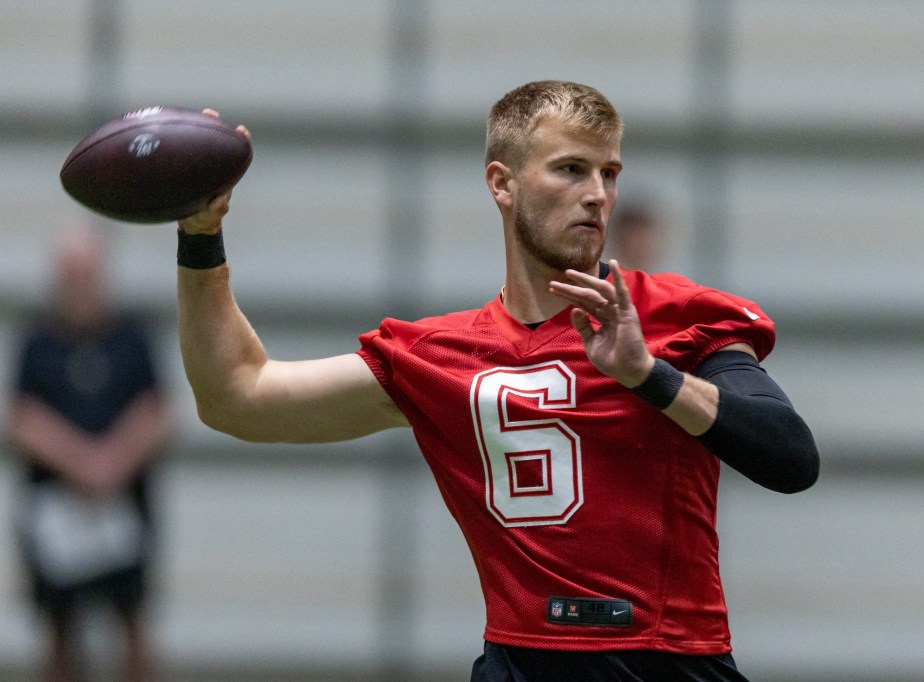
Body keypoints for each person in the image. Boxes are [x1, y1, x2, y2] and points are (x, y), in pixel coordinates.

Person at [175, 81, 819, 681]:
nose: (597, 193)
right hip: (519, 663)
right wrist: (201, 236)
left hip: (667, 664)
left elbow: (791, 455)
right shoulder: (439, 356)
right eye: (570, 169)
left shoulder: (672, 319)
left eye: (609, 173)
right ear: (501, 184)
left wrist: (650, 376)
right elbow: (237, 395)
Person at [8, 224, 169, 682]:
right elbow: (23, 417)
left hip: (124, 506)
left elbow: (157, 410)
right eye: (70, 277)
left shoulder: (132, 336)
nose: (79, 288)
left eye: (88, 275)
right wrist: (81, 462)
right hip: (55, 510)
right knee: (58, 633)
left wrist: (113, 461)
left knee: (133, 626)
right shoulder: (38, 340)